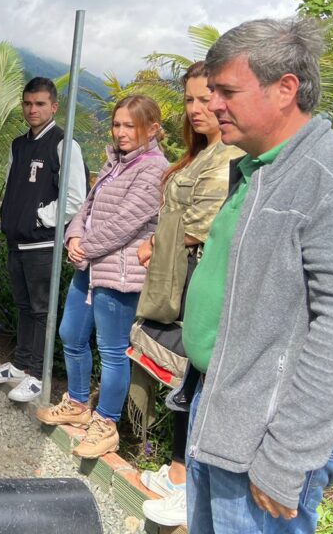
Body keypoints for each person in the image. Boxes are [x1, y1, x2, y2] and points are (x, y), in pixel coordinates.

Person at [177, 17, 333, 533]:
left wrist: (286, 459)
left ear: (285, 89)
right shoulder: (255, 168)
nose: (212, 106)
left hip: (269, 432)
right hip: (223, 406)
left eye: (227, 91)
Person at [128, 62, 244, 528]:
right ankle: (178, 473)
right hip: (179, 277)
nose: (198, 109)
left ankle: (187, 484)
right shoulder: (201, 154)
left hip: (197, 278)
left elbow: (202, 223)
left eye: (206, 99)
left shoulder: (231, 156)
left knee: (194, 382)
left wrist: (154, 243)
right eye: (190, 100)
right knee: (183, 383)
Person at [35, 95, 169, 458]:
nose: (122, 132)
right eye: (117, 124)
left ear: (152, 128)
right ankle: (78, 403)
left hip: (120, 275)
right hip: (90, 267)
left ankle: (106, 423)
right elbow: (87, 206)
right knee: (71, 334)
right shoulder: (116, 163)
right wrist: (73, 236)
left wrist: (86, 246)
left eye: (131, 126)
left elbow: (127, 221)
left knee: (112, 351)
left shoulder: (154, 168)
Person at [0, 77, 87, 403]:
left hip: (41, 244)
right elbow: (15, 187)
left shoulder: (63, 143)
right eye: (27, 103)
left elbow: (75, 198)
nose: (32, 109)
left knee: (42, 310)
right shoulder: (19, 144)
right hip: (16, 241)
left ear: (54, 106)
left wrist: (39, 218)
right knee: (24, 306)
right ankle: (21, 365)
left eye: (40, 104)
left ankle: (39, 376)